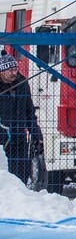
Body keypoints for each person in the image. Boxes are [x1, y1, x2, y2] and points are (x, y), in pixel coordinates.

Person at [0, 53, 41, 188]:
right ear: (2, 71)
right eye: (10, 70)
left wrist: (36, 134)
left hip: (19, 136)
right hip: (2, 137)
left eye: (15, 70)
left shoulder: (22, 84)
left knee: (21, 172)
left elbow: (30, 112)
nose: (14, 73)